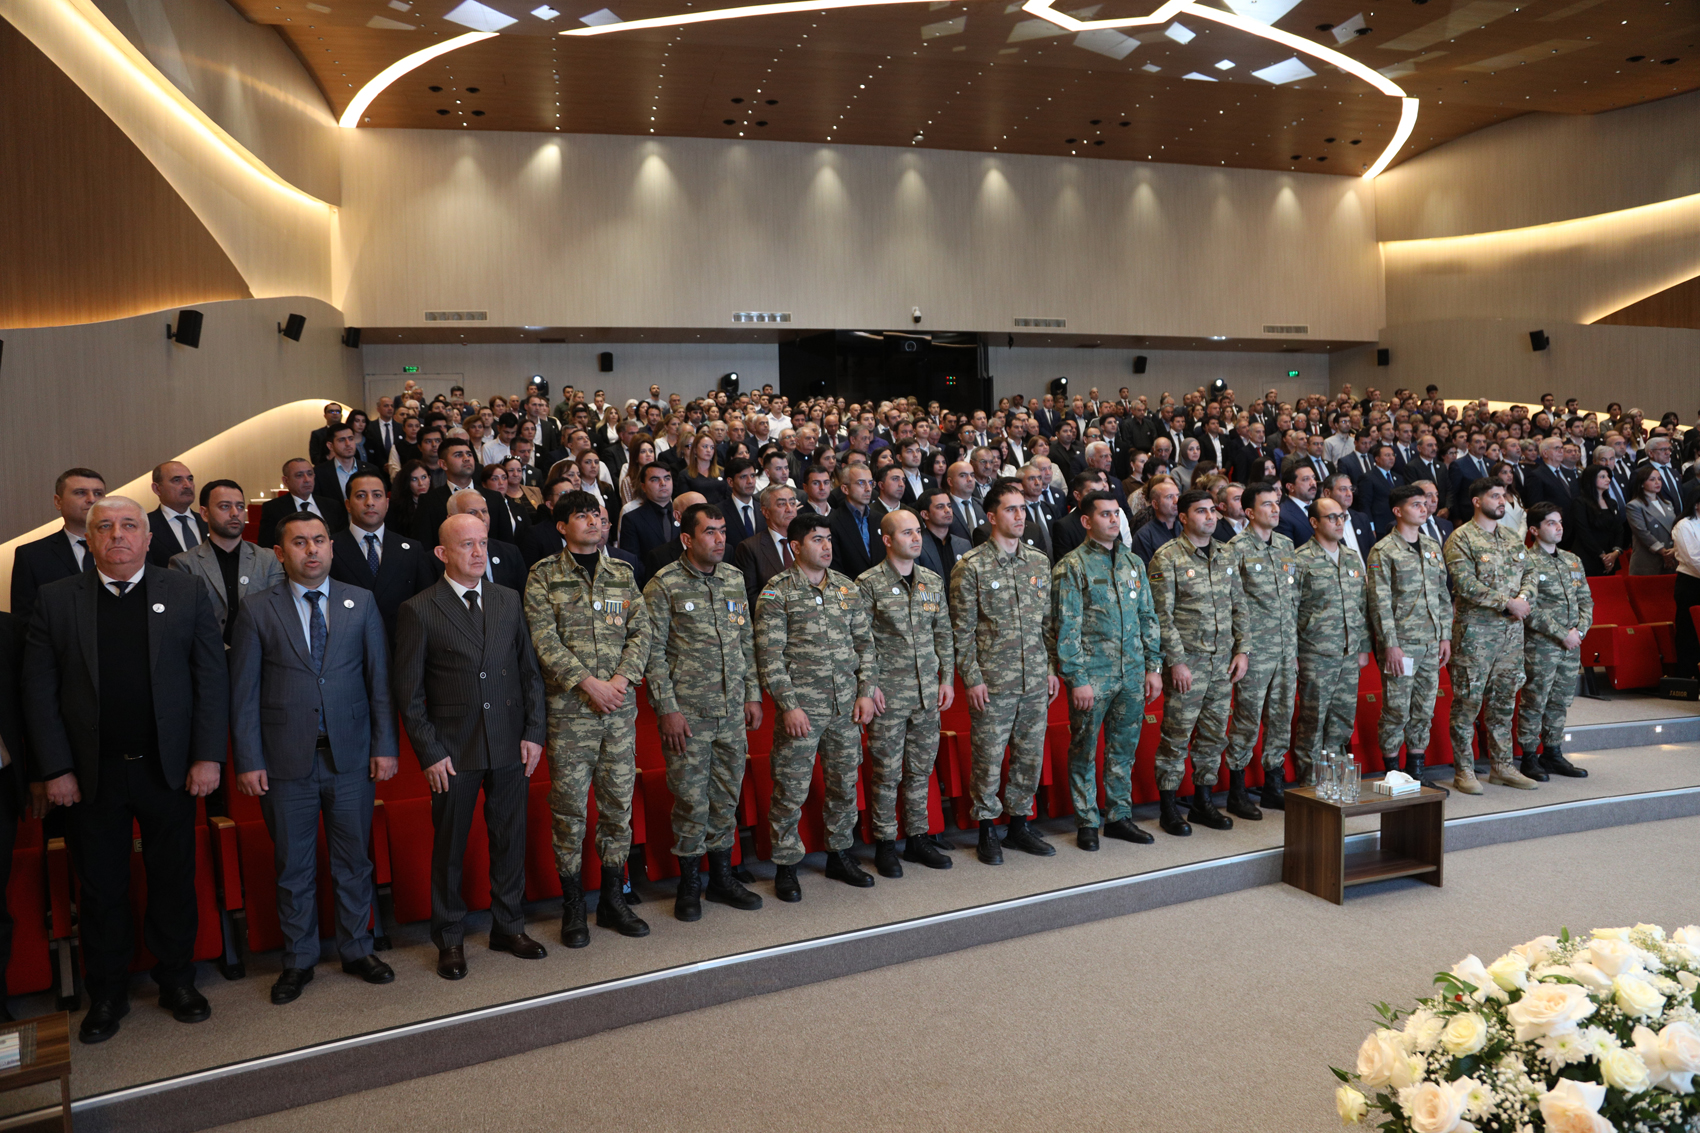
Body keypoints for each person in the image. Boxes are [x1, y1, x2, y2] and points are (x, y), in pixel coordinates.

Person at [26, 497, 228, 1043]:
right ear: (88, 540)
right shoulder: (56, 599)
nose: (117, 534)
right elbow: (39, 692)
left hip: (170, 771)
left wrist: (208, 755)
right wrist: (57, 768)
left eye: (129, 525)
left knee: (172, 880)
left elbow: (211, 679)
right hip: (91, 775)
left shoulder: (184, 591)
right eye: (105, 527)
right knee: (101, 888)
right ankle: (108, 992)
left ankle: (176, 980)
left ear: (147, 537)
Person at [229, 510, 397, 1004]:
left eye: (319, 540)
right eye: (300, 542)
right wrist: (248, 759)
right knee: (294, 866)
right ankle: (299, 959)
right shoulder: (257, 608)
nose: (313, 550)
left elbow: (379, 684)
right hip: (284, 764)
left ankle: (357, 948)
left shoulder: (360, 602)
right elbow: (244, 693)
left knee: (353, 861)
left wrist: (385, 746)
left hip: (351, 761)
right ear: (281, 554)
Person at [394, 513, 547, 979]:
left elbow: (530, 675)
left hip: (507, 743)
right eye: (467, 545)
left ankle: (508, 925)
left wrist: (534, 733)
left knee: (509, 840)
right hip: (453, 753)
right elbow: (410, 692)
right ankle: (451, 937)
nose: (478, 552)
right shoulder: (419, 609)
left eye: (482, 543)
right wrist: (429, 751)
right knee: (450, 849)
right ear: (443, 553)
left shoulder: (507, 599)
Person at [525, 490, 656, 946]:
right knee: (570, 811)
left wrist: (621, 679)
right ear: (562, 527)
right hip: (570, 714)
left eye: (597, 515)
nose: (594, 522)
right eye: (581, 516)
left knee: (618, 806)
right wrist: (589, 683)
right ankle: (573, 903)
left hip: (618, 711)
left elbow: (642, 630)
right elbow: (544, 641)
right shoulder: (543, 576)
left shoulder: (622, 572)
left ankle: (612, 899)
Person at [754, 514, 878, 900]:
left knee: (844, 784)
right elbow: (769, 657)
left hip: (845, 708)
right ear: (795, 547)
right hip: (802, 711)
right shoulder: (776, 592)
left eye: (828, 539)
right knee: (791, 788)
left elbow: (866, 646)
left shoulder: (846, 588)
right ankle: (786, 864)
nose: (826, 546)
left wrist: (866, 691)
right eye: (816, 540)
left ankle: (840, 854)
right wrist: (788, 705)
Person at [947, 478, 1058, 865]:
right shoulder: (971, 567)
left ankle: (1019, 825)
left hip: (1032, 678)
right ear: (991, 516)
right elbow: (960, 632)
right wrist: (972, 678)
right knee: (988, 758)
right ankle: (986, 829)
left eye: (1022, 509)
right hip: (992, 681)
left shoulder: (1038, 561)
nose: (1019, 516)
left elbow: (1046, 624)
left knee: (1029, 755)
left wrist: (1049, 669)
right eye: (1011, 509)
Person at [1049, 491, 1161, 849]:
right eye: (1105, 515)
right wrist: (1076, 679)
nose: (1115, 520)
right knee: (1084, 747)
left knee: (1123, 748)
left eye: (1117, 514)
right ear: (1086, 521)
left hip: (1132, 672)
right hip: (1092, 676)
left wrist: (1153, 666)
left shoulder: (1133, 563)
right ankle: (1086, 819)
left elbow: (1148, 617)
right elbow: (1065, 628)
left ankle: (1118, 816)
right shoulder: (1072, 565)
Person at [857, 509, 955, 874]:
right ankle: (885, 841)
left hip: (928, 691)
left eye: (918, 532)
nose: (916, 538)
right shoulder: (867, 584)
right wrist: (869, 686)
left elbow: (944, 633)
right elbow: (861, 641)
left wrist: (947, 680)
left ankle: (917, 838)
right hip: (889, 695)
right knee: (887, 771)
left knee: (920, 769)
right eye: (907, 533)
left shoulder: (931, 579)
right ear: (887, 540)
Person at [1147, 489, 1243, 837]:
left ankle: (1203, 801)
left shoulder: (1226, 554)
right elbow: (1162, 615)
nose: (1210, 517)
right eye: (1201, 512)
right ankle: (1169, 807)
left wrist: (1242, 650)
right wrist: (1176, 661)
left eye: (1212, 511)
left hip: (1222, 663)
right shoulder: (1167, 557)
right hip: (1188, 664)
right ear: (1184, 517)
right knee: (1176, 736)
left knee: (1214, 737)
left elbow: (1239, 606)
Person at [1444, 478, 1538, 794]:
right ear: (1476, 500)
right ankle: (1465, 770)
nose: (1501, 501)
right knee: (1468, 702)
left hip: (1511, 634)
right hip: (1476, 634)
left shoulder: (1512, 537)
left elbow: (1530, 573)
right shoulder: (1461, 538)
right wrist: (1507, 602)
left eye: (1503, 496)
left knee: (1504, 701)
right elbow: (1464, 584)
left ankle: (1501, 766)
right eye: (1494, 496)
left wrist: (1525, 598)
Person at [1284, 496, 1370, 805]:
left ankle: (1333, 781)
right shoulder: (1300, 559)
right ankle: (1310, 786)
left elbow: (1362, 607)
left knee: (1342, 720)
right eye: (1331, 517)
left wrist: (1363, 647)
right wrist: (1292, 653)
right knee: (1313, 720)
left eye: (1342, 516)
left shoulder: (1350, 558)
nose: (1339, 522)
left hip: (1348, 653)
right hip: (1315, 652)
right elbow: (1290, 610)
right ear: (1314, 523)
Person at [1221, 481, 1299, 821]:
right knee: (1247, 720)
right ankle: (1237, 790)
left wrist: (1292, 648)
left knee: (1281, 718)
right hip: (1254, 650)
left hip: (1285, 649)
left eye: (1277, 503)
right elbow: (1232, 605)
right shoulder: (1234, 549)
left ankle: (1273, 785)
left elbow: (1291, 602)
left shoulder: (1285, 545)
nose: (1275, 509)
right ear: (1249, 512)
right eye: (1267, 504)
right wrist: (1242, 649)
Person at [1514, 502, 1593, 782]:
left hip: (1572, 645)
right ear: (1534, 530)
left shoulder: (1572, 560)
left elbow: (1586, 600)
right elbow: (1528, 609)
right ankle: (1528, 756)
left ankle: (1553, 753)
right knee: (1535, 700)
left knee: (1560, 701)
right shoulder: (1525, 560)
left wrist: (1579, 632)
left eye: (1559, 522)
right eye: (1550, 523)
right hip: (1542, 645)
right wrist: (1563, 633)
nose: (1558, 527)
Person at [168, 479, 284, 647]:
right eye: (224, 506)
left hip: (259, 654)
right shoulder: (184, 563)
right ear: (204, 513)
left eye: (239, 506)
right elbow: (183, 622)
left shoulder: (268, 559)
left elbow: (276, 615)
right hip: (208, 657)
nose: (234, 513)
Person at [328, 471, 437, 646]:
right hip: (348, 649)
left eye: (377, 495)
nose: (370, 502)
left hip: (402, 645)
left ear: (386, 504)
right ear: (348, 504)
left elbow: (427, 605)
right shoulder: (330, 547)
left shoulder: (412, 549)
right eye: (361, 495)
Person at [11, 467, 105, 625]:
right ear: (58, 502)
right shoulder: (31, 555)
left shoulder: (128, 546)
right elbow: (24, 620)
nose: (91, 499)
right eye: (81, 492)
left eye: (98, 493)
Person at [445, 489, 527, 591]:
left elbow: (524, 598)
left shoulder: (510, 553)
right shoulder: (439, 560)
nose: (482, 517)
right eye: (472, 512)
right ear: (451, 518)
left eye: (484, 511)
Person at [258, 458, 344, 548]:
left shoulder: (332, 505)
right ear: (285, 481)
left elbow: (340, 541)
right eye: (299, 475)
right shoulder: (273, 508)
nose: (307, 480)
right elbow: (267, 546)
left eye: (310, 474)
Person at [1563, 465, 1625, 576]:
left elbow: (1619, 530)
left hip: (1610, 557)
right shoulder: (1580, 503)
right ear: (1591, 479)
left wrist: (1615, 554)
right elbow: (1583, 532)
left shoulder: (1612, 503)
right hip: (1588, 557)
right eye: (1602, 477)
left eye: (1608, 476)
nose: (1608, 480)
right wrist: (1602, 556)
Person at [146, 461, 209, 567]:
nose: (187, 485)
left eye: (190, 479)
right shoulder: (145, 525)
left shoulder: (208, 522)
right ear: (157, 489)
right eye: (177, 480)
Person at [827, 464, 885, 578]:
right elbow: (835, 568)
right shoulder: (832, 522)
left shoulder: (880, 519)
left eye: (870, 483)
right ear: (845, 489)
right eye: (861, 483)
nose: (868, 489)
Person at [1626, 464, 1678, 574]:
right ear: (1641, 484)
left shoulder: (1667, 503)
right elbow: (1642, 532)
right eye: (1652, 479)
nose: (1657, 482)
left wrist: (1674, 549)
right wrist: (1663, 551)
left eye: (1659, 479)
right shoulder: (1634, 505)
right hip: (1648, 560)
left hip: (1671, 556)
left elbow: (1676, 528)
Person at [1674, 486, 1700, 681]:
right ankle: (1687, 676)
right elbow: (1693, 557)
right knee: (1688, 632)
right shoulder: (1684, 525)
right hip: (1691, 583)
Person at [1130, 474, 1180, 564]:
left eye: (1177, 496)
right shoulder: (1144, 536)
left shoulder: (1185, 528)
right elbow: (1145, 572)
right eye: (1169, 497)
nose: (1176, 501)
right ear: (1155, 504)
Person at [387, 459, 435, 540]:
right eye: (414, 479)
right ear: (407, 482)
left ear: (429, 478)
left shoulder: (438, 502)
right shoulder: (395, 507)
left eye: (424, 477)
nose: (421, 483)